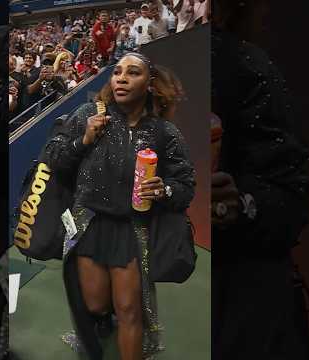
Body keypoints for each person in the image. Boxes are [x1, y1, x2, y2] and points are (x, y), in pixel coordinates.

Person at [45, 52, 196, 360]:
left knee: (130, 311)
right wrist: (83, 140)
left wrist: (164, 189)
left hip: (132, 229)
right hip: (88, 224)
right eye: (117, 72)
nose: (122, 78)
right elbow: (54, 160)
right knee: (96, 304)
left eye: (133, 72)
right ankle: (103, 317)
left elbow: (185, 186)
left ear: (150, 84)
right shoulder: (88, 114)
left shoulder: (164, 133)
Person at [211, 1, 309, 359]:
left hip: (246, 301)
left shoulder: (243, 64)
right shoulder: (157, 69)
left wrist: (241, 205)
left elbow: (292, 196)